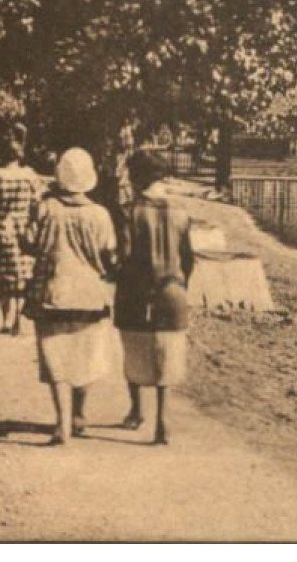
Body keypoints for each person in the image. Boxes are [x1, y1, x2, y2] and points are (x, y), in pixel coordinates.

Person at [27, 147, 121, 446]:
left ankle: (62, 422)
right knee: (85, 356)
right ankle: (80, 413)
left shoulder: (45, 208)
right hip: (90, 293)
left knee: (55, 358)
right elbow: (110, 251)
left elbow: (30, 243)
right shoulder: (99, 214)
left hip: (53, 290)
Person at [113, 150, 194, 445]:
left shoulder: (129, 211)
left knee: (134, 352)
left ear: (136, 177)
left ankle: (137, 411)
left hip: (136, 291)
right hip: (172, 290)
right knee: (166, 354)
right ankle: (163, 420)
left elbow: (122, 256)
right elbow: (188, 260)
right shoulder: (181, 212)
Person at [0, 123, 44, 335]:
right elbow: (37, 205)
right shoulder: (31, 176)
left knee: (3, 275)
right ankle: (17, 316)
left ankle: (6, 317)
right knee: (22, 272)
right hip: (24, 230)